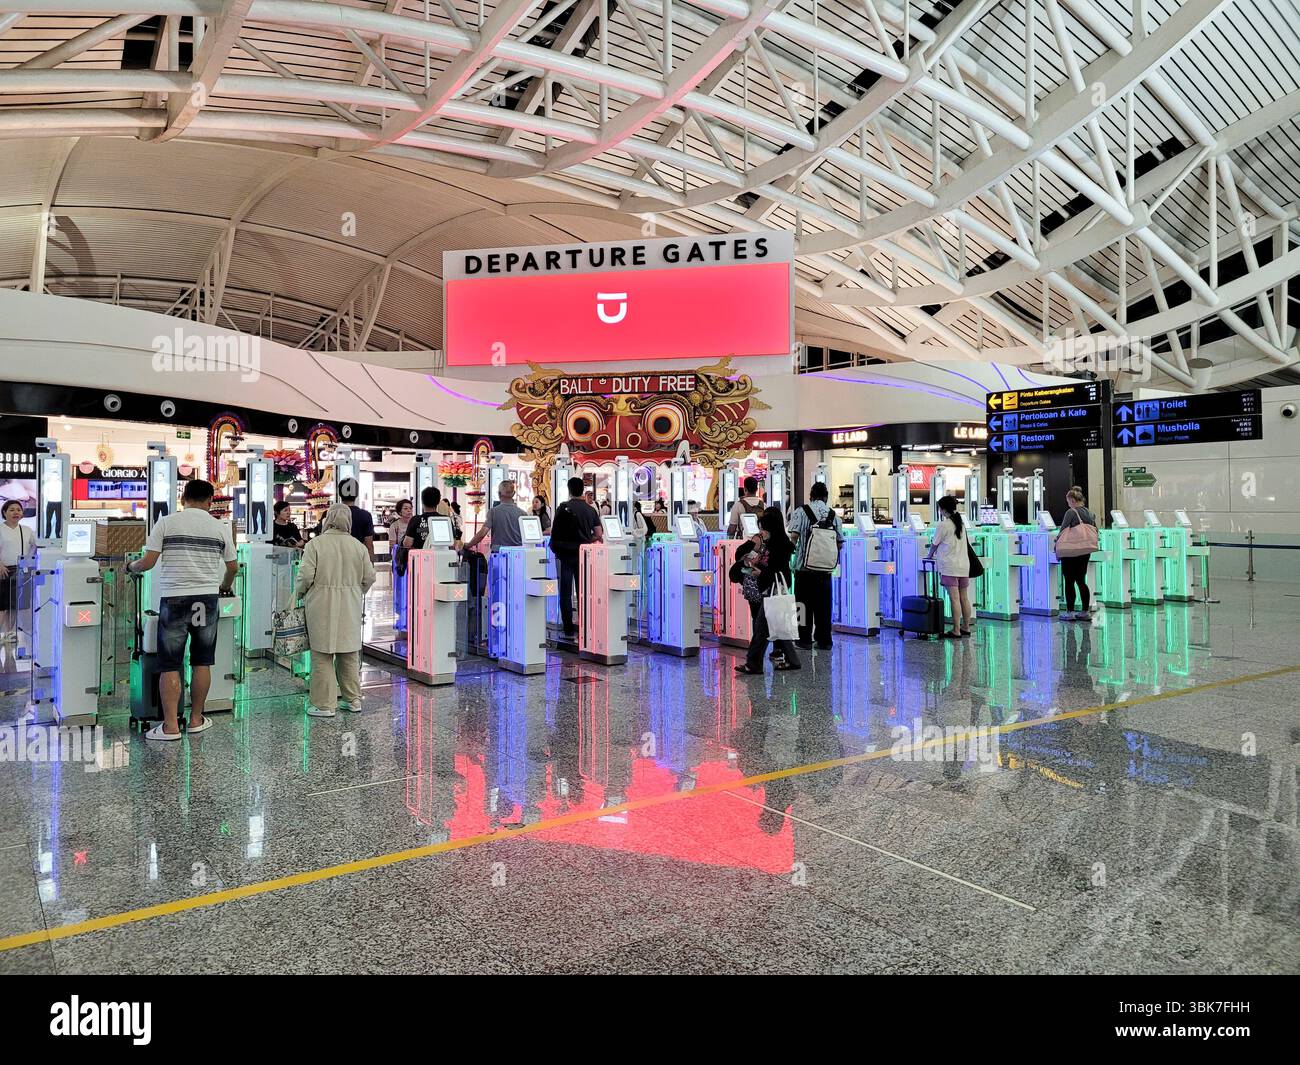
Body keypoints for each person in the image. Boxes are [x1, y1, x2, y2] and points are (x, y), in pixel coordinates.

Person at [127, 479, 238, 740]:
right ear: (210, 501)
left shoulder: (166, 522)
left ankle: (170, 727)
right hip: (207, 600)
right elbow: (233, 566)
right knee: (202, 661)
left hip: (175, 599)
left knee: (170, 664)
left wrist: (131, 567)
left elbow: (148, 562)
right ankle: (197, 719)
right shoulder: (218, 526)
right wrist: (223, 585)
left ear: (183, 499)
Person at [296, 504, 375, 717]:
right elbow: (370, 577)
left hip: (320, 603)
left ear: (327, 519)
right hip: (350, 604)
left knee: (322, 653)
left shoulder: (315, 544)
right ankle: (353, 700)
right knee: (348, 653)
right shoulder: (358, 546)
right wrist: (356, 591)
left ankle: (324, 705)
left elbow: (304, 576)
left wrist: (299, 594)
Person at [734, 507, 800, 674]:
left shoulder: (781, 547)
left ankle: (753, 663)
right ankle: (792, 660)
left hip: (774, 589)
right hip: (769, 589)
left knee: (762, 626)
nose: (761, 532)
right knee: (776, 626)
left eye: (763, 528)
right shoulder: (769, 544)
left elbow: (777, 571)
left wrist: (760, 572)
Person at [787, 481, 844, 650]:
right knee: (823, 607)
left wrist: (792, 557)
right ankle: (824, 640)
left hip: (804, 569)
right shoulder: (834, 516)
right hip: (825, 571)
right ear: (826, 497)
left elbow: (794, 537)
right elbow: (840, 543)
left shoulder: (801, 512)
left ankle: (803, 640)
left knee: (802, 606)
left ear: (810, 496)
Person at [549, 476, 601, 639]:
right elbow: (598, 533)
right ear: (583, 491)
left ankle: (568, 630)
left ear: (569, 489)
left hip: (565, 555)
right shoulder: (590, 510)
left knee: (565, 593)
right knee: (583, 592)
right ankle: (585, 628)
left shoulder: (563, 508)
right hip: (584, 555)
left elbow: (554, 531)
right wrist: (587, 539)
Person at [926, 494, 973, 639]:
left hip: (950, 567)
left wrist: (929, 555)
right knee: (964, 598)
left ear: (943, 509)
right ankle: (966, 626)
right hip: (964, 566)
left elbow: (934, 544)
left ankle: (956, 630)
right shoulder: (961, 524)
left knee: (954, 599)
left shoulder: (943, 525)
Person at [1057, 486, 1097, 621]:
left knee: (1069, 581)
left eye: (1068, 501)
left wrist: (1057, 544)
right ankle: (1085, 611)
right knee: (1081, 580)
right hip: (1085, 550)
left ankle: (1070, 612)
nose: (1068, 504)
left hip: (1071, 551)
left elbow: (1062, 531)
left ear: (1073, 500)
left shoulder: (1071, 512)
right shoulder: (1090, 513)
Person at [0, 500, 34, 643]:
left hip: (20, 570)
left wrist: (30, 559)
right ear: (4, 512)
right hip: (3, 570)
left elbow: (36, 545)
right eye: (12, 510)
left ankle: (9, 633)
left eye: (18, 510)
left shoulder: (26, 530)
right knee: (2, 606)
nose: (16, 512)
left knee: (14, 604)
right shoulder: (1, 529)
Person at [464, 479, 525, 552]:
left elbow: (482, 534)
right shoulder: (523, 514)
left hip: (498, 553)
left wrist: (468, 545)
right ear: (514, 494)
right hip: (518, 554)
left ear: (499, 494)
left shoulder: (493, 512)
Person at [337, 477, 375, 560]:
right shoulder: (365, 515)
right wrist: (370, 566)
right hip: (357, 558)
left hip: (336, 558)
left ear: (340, 493)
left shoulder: (330, 514)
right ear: (356, 494)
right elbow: (369, 545)